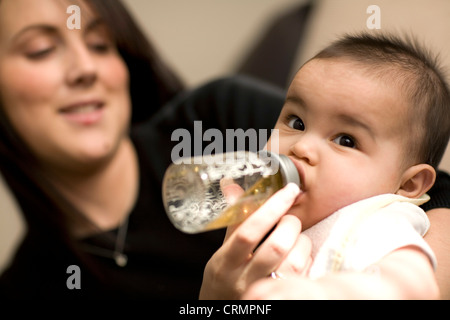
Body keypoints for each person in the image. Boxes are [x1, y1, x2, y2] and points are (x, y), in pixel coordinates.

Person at [0, 0, 449, 300]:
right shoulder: (31, 284)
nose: (84, 68)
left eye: (100, 44)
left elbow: (428, 209)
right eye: (40, 50)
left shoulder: (217, 118)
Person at [200, 33, 450, 299]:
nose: (301, 147)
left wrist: (330, 292)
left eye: (346, 140)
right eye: (297, 122)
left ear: (408, 184)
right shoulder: (262, 224)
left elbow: (412, 281)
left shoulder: (375, 220)